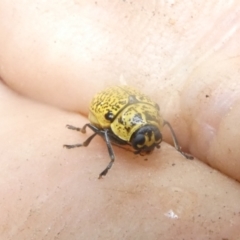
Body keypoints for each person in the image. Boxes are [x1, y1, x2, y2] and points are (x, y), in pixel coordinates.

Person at [0, 1, 239, 239]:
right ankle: (84, 141)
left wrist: (176, 149)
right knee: (100, 130)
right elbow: (104, 129)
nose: (148, 147)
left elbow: (161, 123)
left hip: (132, 109)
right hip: (113, 107)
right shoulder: (114, 126)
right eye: (144, 142)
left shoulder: (152, 120)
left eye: (150, 141)